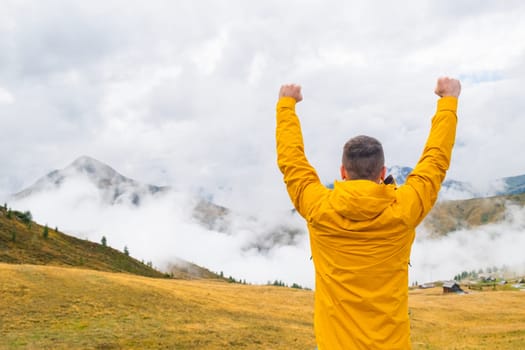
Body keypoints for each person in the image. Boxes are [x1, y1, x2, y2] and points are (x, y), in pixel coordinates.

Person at [275, 77, 460, 349]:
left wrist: (286, 106)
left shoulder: (318, 207)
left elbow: (292, 161)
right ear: (382, 173)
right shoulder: (405, 208)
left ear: (342, 172)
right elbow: (435, 161)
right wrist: (448, 102)